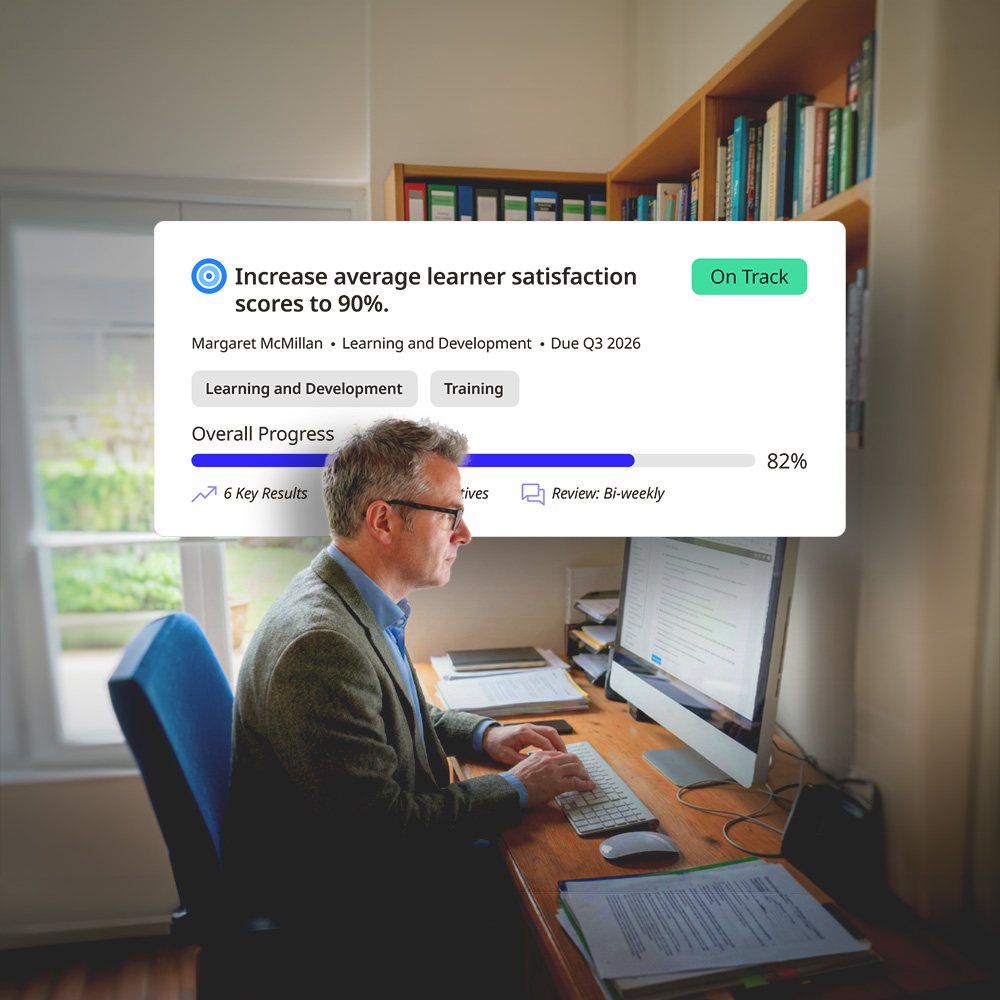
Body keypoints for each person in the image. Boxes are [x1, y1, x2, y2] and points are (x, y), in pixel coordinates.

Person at [223, 417, 594, 995]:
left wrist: (485, 735)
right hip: (347, 900)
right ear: (383, 520)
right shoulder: (321, 646)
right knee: (563, 897)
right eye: (450, 513)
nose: (464, 533)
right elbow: (383, 831)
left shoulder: (354, 598)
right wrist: (517, 787)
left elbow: (405, 715)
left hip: (361, 856)